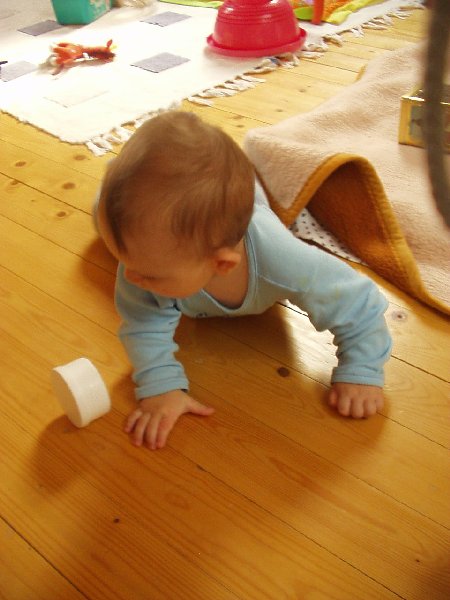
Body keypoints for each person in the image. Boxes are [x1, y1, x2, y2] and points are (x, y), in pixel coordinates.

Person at [96, 111, 392, 450]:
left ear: (221, 264)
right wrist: (160, 387)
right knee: (109, 221)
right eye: (125, 261)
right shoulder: (146, 267)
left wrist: (362, 368)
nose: (128, 277)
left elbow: (359, 304)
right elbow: (143, 325)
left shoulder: (283, 260)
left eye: (148, 273)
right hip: (176, 223)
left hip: (242, 207)